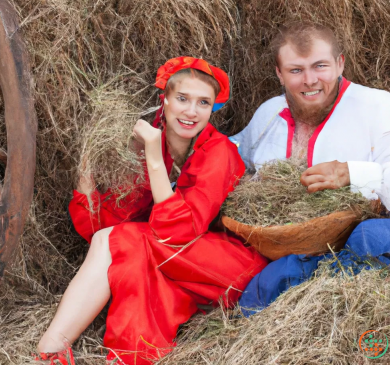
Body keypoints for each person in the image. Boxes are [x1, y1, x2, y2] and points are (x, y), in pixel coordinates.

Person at [36, 57, 268, 365]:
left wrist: (153, 156)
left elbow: (179, 232)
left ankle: (49, 348)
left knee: (123, 242)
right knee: (129, 257)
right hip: (169, 260)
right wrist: (87, 168)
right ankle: (127, 357)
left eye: (203, 103)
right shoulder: (149, 144)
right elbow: (107, 226)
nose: (191, 111)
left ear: (212, 108)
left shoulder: (219, 152)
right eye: (182, 99)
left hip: (225, 264)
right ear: (166, 99)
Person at [229, 22, 390, 313]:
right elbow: (233, 155)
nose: (309, 80)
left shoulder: (378, 107)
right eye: (295, 70)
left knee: (371, 237)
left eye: (320, 66)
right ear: (279, 73)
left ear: (340, 63)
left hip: (354, 243)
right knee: (253, 292)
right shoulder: (270, 112)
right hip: (282, 247)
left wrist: (352, 173)